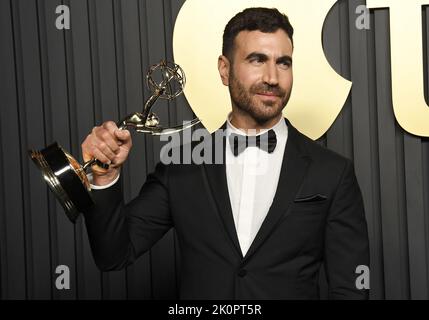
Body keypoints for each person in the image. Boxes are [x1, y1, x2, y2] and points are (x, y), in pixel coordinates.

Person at [81, 7, 370, 299]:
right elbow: (113, 254)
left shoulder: (332, 172)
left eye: (283, 63)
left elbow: (351, 289)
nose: (272, 77)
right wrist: (105, 176)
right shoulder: (182, 164)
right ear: (224, 69)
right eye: (257, 60)